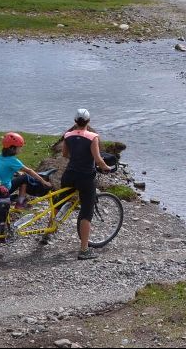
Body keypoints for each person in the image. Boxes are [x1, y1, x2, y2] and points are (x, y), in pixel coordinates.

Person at [60, 108, 113, 260]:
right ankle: (84, 250)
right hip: (85, 178)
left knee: (59, 203)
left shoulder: (67, 135)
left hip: (69, 175)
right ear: (88, 121)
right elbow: (97, 159)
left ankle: (47, 234)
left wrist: (76, 155)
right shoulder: (93, 137)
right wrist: (106, 168)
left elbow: (64, 154)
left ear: (75, 121)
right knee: (86, 212)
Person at [0, 132, 44, 209]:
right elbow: (29, 171)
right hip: (4, 189)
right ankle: (20, 203)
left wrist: (17, 172)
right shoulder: (13, 161)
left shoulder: (1, 155)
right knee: (25, 177)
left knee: (21, 176)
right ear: (12, 148)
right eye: (20, 147)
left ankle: (16, 198)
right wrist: (44, 181)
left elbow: (6, 167)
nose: (21, 149)